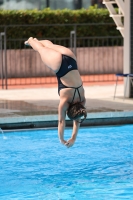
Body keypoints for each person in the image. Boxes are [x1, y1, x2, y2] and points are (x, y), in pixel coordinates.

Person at [24, 37, 87, 148]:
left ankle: (36, 40)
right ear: (68, 109)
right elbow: (61, 122)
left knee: (50, 45)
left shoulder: (82, 99)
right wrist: (62, 139)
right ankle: (30, 40)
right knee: (39, 49)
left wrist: (73, 138)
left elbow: (78, 118)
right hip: (58, 64)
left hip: (71, 58)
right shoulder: (65, 101)